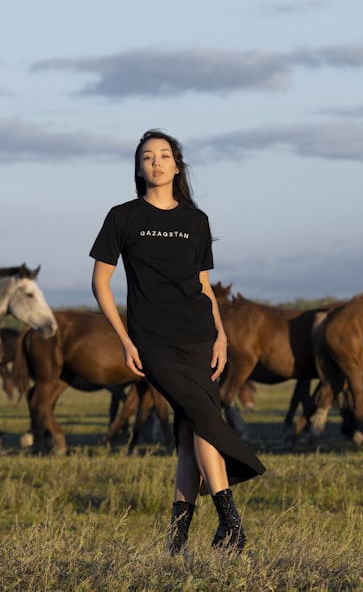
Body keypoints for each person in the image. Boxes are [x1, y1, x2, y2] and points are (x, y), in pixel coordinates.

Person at [89, 129, 266, 555]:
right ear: (138, 168)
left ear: (176, 165)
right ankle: (231, 523)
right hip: (153, 340)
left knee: (191, 433)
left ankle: (176, 542)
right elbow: (100, 283)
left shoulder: (195, 220)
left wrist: (221, 335)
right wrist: (126, 340)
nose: (156, 162)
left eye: (164, 155)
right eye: (147, 157)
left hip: (200, 337)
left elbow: (203, 286)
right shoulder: (123, 216)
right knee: (205, 418)